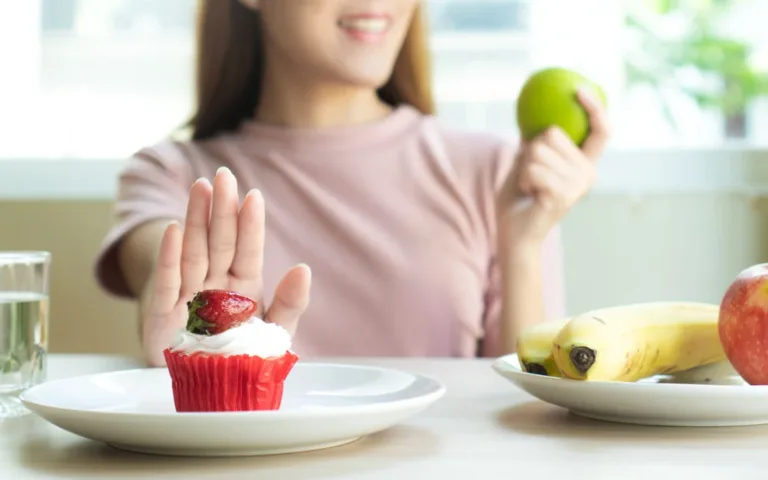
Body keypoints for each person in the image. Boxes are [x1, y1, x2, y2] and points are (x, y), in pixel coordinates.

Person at [94, 0, 610, 367]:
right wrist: (197, 337)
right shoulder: (171, 174)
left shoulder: (495, 172)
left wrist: (523, 244)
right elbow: (161, 277)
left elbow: (519, 407)